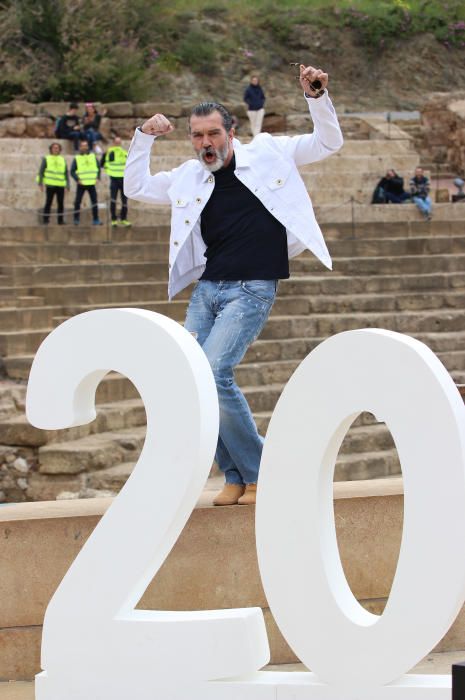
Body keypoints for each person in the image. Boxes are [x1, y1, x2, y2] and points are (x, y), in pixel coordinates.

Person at [124, 63, 343, 506]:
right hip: (208, 288)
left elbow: (327, 142)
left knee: (214, 371)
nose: (205, 144)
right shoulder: (188, 175)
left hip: (252, 286)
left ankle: (261, 471)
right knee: (193, 380)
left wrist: (317, 97)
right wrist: (143, 136)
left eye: (212, 134)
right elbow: (135, 186)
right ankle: (236, 475)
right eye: (197, 136)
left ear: (231, 131)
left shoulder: (270, 153)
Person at [36, 142, 70, 225]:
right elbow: (41, 171)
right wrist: (40, 183)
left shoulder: (62, 159)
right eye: (54, 148)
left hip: (60, 185)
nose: (56, 149)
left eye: (57, 148)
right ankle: (46, 219)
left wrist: (68, 185)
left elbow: (65, 173)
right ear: (51, 149)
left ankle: (60, 220)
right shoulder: (46, 158)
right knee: (48, 202)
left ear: (60, 150)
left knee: (61, 203)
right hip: (50, 185)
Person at [70, 139, 102, 225]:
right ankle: (76, 219)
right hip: (82, 184)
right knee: (77, 202)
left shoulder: (93, 156)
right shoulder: (77, 158)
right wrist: (77, 179)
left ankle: (96, 219)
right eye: (82, 146)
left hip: (91, 183)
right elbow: (72, 171)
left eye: (86, 145)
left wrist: (98, 178)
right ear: (80, 147)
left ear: (88, 147)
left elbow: (98, 168)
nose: (84, 147)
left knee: (94, 201)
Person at [101, 136, 131, 227]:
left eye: (119, 142)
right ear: (113, 143)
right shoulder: (109, 152)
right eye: (116, 142)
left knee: (124, 201)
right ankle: (113, 219)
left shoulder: (125, 153)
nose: (118, 143)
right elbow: (102, 164)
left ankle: (123, 219)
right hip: (114, 179)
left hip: (123, 180)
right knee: (113, 200)